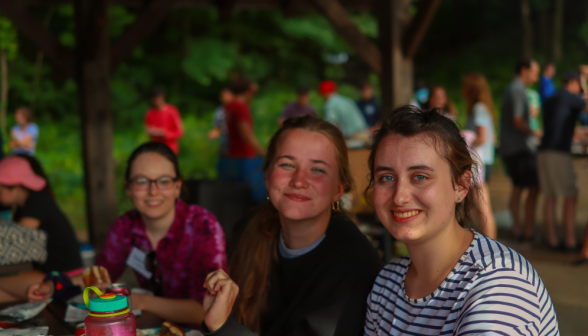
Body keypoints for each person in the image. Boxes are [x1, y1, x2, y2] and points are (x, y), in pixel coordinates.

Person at [364, 105, 558, 335]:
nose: (400, 196)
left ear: (462, 185)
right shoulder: (387, 282)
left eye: (420, 177)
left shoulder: (499, 284)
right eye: (386, 177)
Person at [201, 116, 383, 336]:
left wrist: (223, 327)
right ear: (268, 177)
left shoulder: (354, 265)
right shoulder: (248, 229)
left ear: (339, 189)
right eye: (287, 164)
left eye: (317, 170)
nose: (299, 181)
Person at [28, 142, 227, 325]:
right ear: (129, 188)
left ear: (177, 187)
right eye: (141, 181)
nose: (153, 191)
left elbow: (204, 310)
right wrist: (55, 286)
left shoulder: (203, 226)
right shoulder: (126, 226)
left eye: (164, 181)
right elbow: (98, 277)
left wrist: (140, 301)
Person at [0, 156, 82, 274]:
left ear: (17, 188)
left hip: (65, 275)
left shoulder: (37, 202)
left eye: (0, 191)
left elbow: (18, 238)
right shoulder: (24, 206)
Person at [538, 71, 588, 252]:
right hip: (559, 152)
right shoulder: (571, 98)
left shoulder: (550, 99)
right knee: (570, 195)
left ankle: (552, 240)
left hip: (543, 151)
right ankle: (570, 241)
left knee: (550, 197)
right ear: (574, 82)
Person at [499, 59, 542, 241]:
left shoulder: (515, 88)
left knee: (519, 187)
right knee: (528, 187)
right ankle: (524, 231)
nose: (536, 77)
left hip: (512, 147)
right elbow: (518, 120)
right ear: (524, 70)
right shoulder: (517, 90)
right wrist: (535, 131)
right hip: (518, 148)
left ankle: (521, 230)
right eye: (534, 72)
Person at [218, 77, 267, 203]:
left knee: (231, 200)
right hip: (244, 158)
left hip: (229, 157)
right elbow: (245, 134)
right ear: (249, 91)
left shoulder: (228, 107)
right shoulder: (241, 107)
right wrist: (263, 152)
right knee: (252, 199)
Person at [462, 73, 497, 239]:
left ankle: (492, 245)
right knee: (479, 206)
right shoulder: (484, 108)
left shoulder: (479, 109)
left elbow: (482, 137)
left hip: (480, 163)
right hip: (486, 161)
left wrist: (465, 138)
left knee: (483, 207)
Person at [144, 87, 184, 154]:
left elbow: (180, 132)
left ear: (163, 97)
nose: (157, 101)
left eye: (158, 98)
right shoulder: (150, 113)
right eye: (155, 99)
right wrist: (152, 132)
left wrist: (165, 134)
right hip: (156, 149)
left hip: (170, 149)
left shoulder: (172, 111)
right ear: (151, 100)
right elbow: (148, 131)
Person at [208, 88, 235, 157]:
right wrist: (214, 133)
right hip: (225, 143)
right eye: (223, 96)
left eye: (227, 95)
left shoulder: (238, 109)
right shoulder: (219, 111)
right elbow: (218, 128)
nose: (225, 97)